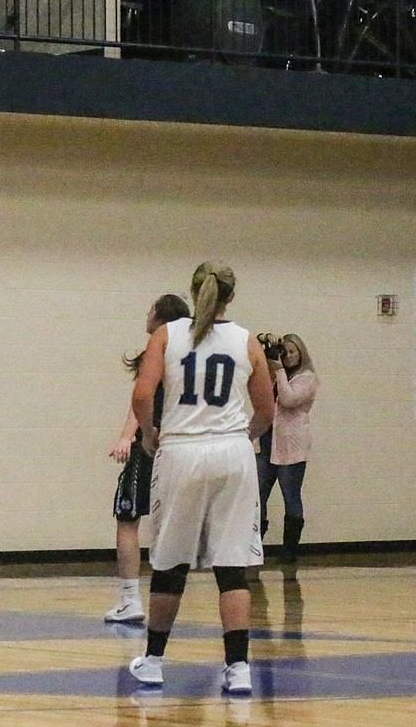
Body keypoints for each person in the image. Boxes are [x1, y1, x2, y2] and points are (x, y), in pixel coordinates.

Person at [126, 262, 274, 694]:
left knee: (170, 561)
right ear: (232, 295)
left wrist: (150, 435)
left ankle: (153, 660)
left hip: (181, 451)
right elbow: (266, 409)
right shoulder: (247, 340)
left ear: (193, 291)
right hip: (232, 452)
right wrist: (243, 436)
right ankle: (239, 668)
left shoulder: (167, 335)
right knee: (233, 567)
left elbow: (141, 395)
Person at [104, 294, 190, 624]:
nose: (146, 314)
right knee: (173, 524)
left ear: (161, 318)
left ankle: (130, 599)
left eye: (150, 309)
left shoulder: (158, 350)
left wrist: (129, 436)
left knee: (127, 516)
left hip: (154, 445)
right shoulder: (192, 353)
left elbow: (142, 400)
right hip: (188, 446)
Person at [257, 334, 318, 563]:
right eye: (285, 351)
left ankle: (289, 552)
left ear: (301, 353)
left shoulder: (307, 378)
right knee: (257, 496)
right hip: (266, 442)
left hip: (291, 446)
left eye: (293, 351)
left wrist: (280, 371)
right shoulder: (275, 375)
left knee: (290, 496)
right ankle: (254, 547)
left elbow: (288, 399)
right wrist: (265, 344)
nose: (289, 356)